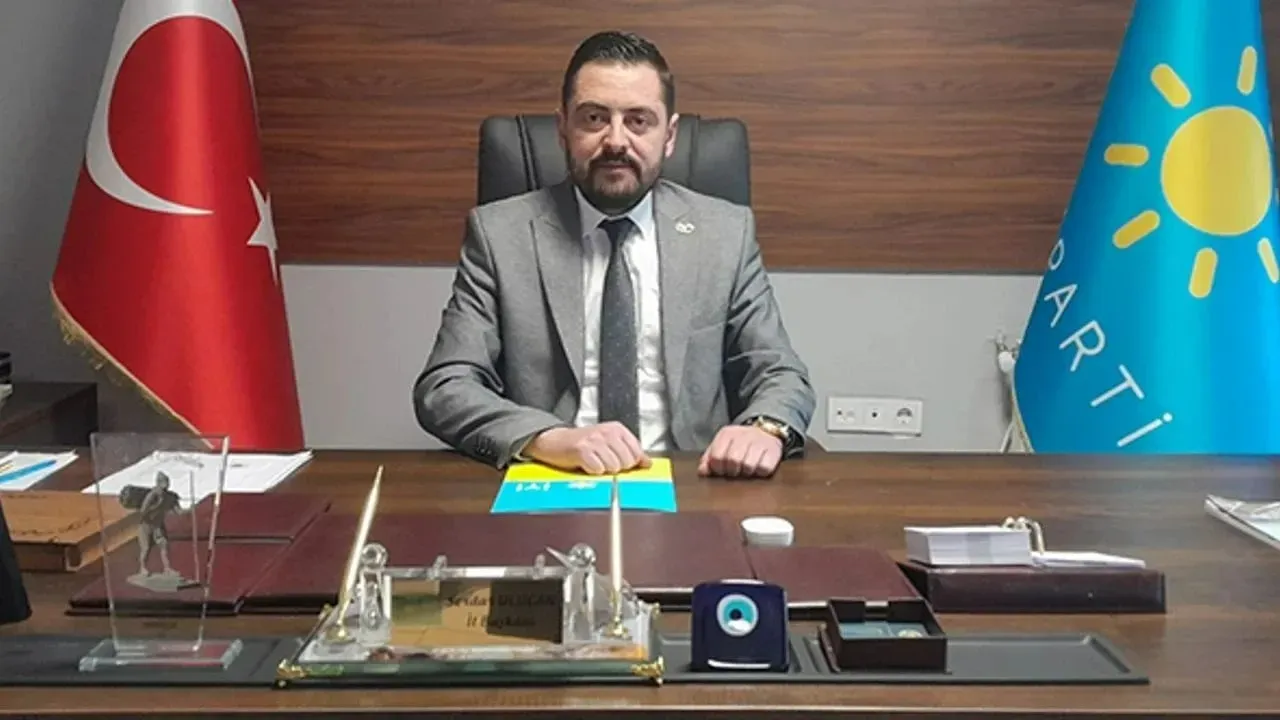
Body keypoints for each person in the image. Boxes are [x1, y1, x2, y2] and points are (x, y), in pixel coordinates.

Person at [413, 30, 815, 478]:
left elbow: (779, 372)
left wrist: (765, 428)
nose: (616, 141)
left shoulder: (724, 233)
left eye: (639, 120)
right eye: (594, 118)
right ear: (563, 128)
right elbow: (445, 386)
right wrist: (545, 438)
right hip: (555, 475)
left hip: (692, 481)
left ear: (669, 135)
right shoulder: (499, 235)